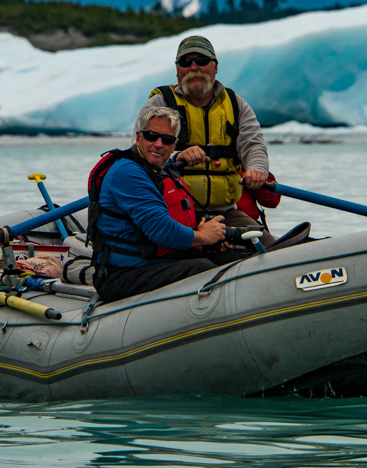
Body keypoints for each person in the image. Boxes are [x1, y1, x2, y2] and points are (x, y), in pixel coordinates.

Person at [136, 34, 275, 245]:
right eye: (185, 62)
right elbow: (138, 155)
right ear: (177, 70)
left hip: (226, 212)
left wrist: (257, 170)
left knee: (268, 247)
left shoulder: (236, 105)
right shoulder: (160, 103)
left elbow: (253, 145)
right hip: (175, 212)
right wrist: (176, 156)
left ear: (215, 67)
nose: (194, 68)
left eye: (201, 61)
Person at [88, 107, 227, 302]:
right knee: (205, 270)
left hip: (158, 263)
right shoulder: (127, 173)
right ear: (139, 137)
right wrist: (203, 236)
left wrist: (208, 239)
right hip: (122, 275)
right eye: (151, 136)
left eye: (167, 139)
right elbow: (161, 231)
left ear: (174, 145)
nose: (159, 144)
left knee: (232, 260)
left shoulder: (160, 171)